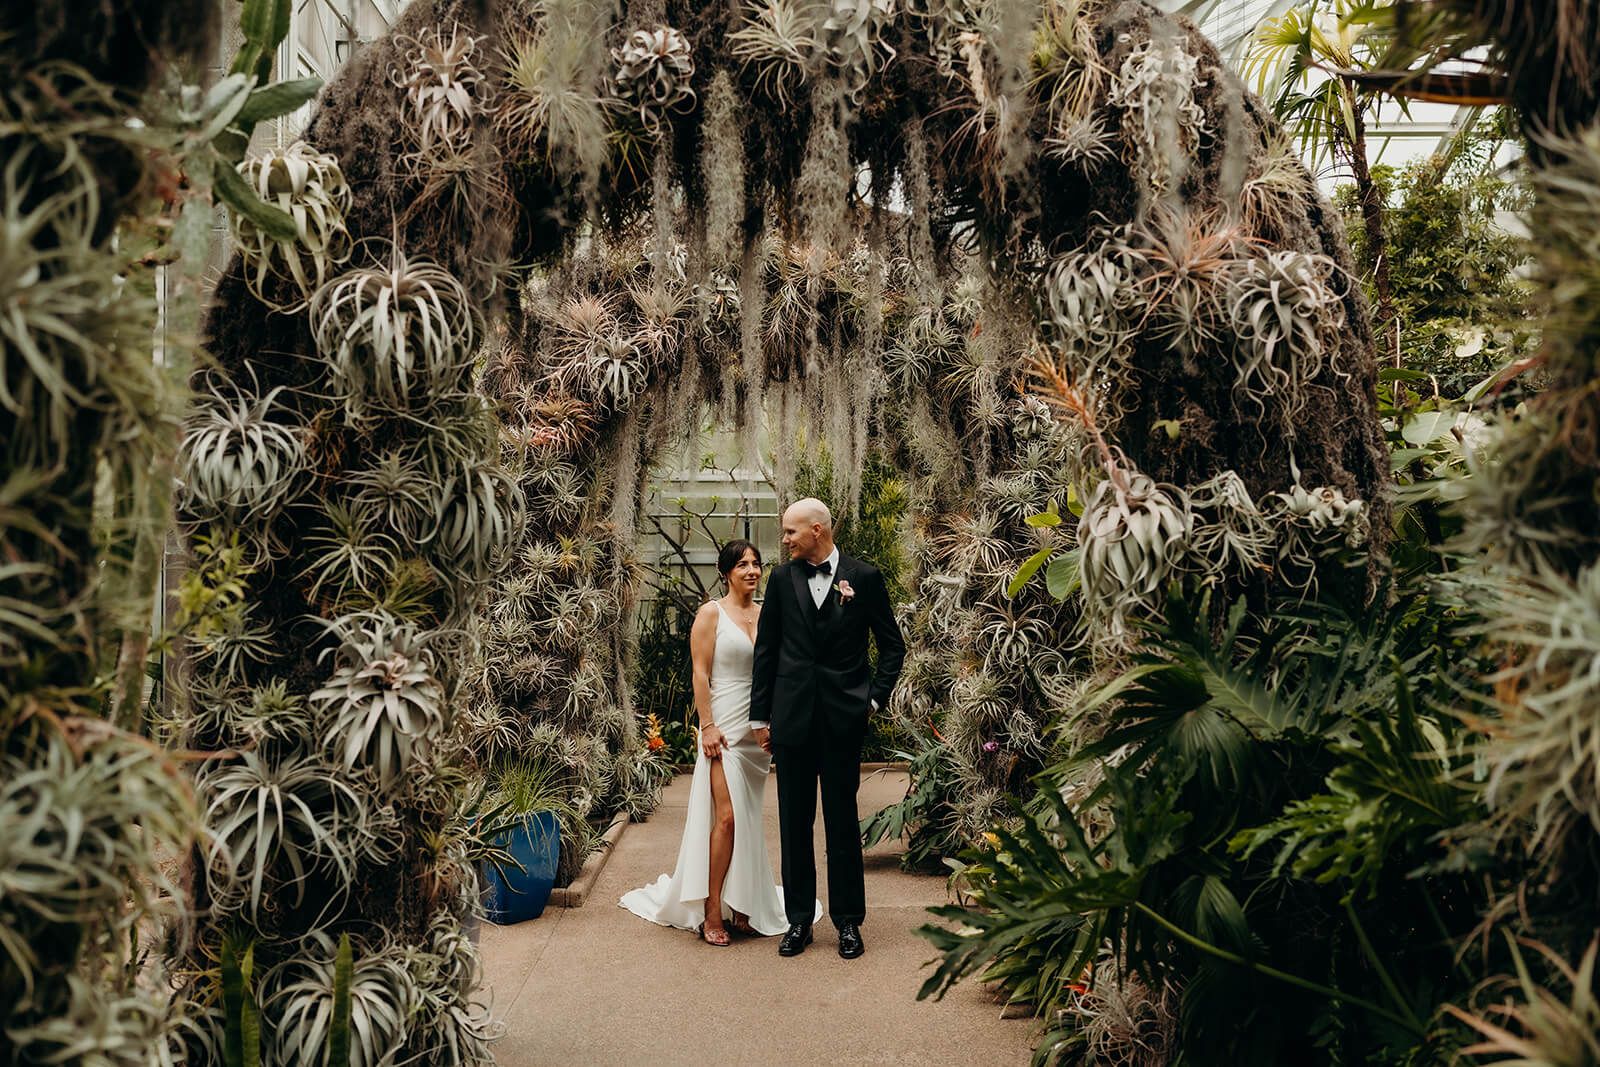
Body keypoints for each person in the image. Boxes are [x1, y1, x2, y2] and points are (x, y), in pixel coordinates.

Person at [620, 540, 811, 944]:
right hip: (721, 726)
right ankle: (711, 911)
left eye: (756, 564)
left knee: (746, 818)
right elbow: (700, 675)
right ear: (726, 572)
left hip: (756, 731)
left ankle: (743, 904)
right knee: (725, 818)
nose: (752, 571)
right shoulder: (711, 613)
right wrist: (706, 725)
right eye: (742, 564)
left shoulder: (768, 614)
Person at [750, 498, 905, 959]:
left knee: (841, 825)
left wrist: (872, 700)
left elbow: (892, 645)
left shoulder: (865, 577)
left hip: (843, 721)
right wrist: (761, 717)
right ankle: (799, 921)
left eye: (791, 532)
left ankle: (848, 923)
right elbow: (768, 652)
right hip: (792, 722)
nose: (785, 540)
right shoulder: (781, 580)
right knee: (795, 826)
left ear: (817, 530)